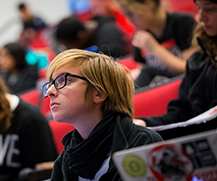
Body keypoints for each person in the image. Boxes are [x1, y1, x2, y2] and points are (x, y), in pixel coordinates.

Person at [40, 49, 163, 181]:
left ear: (99, 92)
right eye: (50, 84)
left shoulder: (142, 145)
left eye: (64, 80)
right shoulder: (66, 158)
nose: (50, 91)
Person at [133, 0, 217, 135]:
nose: (200, 18)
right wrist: (145, 123)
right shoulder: (201, 58)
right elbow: (182, 113)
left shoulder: (180, 23)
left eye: (210, 9)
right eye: (199, 9)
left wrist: (154, 49)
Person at [116, 0, 197, 88]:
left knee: (148, 72)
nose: (128, 21)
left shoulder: (182, 23)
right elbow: (142, 70)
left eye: (131, 14)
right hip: (160, 86)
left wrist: (155, 49)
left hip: (186, 85)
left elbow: (190, 68)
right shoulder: (140, 33)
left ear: (149, 3)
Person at [55, 15, 128, 58]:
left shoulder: (108, 33)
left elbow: (112, 58)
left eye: (69, 46)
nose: (69, 50)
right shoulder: (92, 33)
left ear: (80, 36)